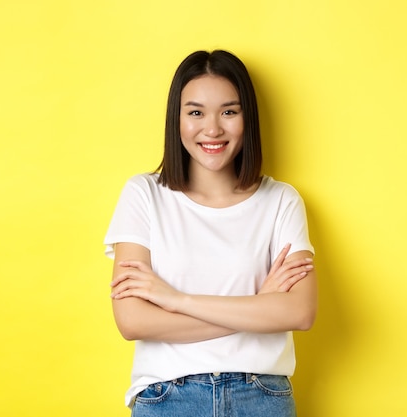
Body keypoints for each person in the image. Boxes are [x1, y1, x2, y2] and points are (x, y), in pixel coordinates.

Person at [104, 49, 317, 417]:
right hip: (168, 398)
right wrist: (257, 304)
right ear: (178, 119)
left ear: (246, 118)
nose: (213, 128)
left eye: (229, 111)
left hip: (261, 396)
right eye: (196, 112)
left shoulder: (281, 201)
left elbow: (299, 311)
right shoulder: (144, 195)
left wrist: (175, 300)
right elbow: (133, 321)